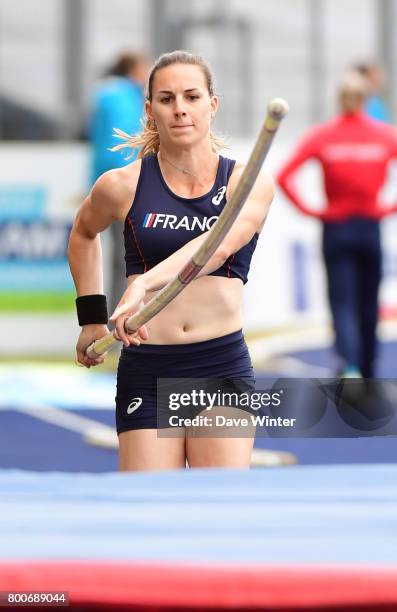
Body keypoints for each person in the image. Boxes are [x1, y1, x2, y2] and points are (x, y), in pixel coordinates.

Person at [68, 50, 275, 471]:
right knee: (148, 516)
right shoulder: (121, 185)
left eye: (191, 96)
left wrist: (144, 283)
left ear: (211, 105)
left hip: (219, 364)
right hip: (148, 365)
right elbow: (83, 233)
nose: (180, 109)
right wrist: (91, 317)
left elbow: (214, 247)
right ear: (149, 110)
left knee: (220, 512)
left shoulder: (245, 182)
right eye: (166, 99)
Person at [277, 72, 397, 378]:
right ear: (366, 100)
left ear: (340, 99)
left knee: (342, 299)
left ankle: (349, 365)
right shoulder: (384, 135)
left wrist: (312, 211)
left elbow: (284, 177)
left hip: (336, 227)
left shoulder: (323, 135)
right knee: (368, 299)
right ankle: (368, 365)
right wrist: (391, 207)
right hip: (369, 225)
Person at [88, 52, 149, 312]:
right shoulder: (126, 96)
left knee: (119, 258)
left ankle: (116, 316)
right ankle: (129, 318)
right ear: (134, 68)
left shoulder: (105, 93)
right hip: (130, 185)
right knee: (135, 258)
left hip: (105, 184)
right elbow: (125, 143)